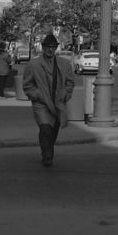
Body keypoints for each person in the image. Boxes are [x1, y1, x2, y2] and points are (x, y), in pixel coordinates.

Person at [22, 34, 77, 168]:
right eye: (47, 47)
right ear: (43, 48)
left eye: (53, 47)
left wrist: (66, 94)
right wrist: (36, 95)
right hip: (41, 103)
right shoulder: (33, 65)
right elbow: (27, 85)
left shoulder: (64, 64)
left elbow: (70, 82)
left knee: (53, 131)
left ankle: (47, 149)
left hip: (58, 103)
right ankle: (47, 155)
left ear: (56, 48)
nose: (50, 50)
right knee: (45, 128)